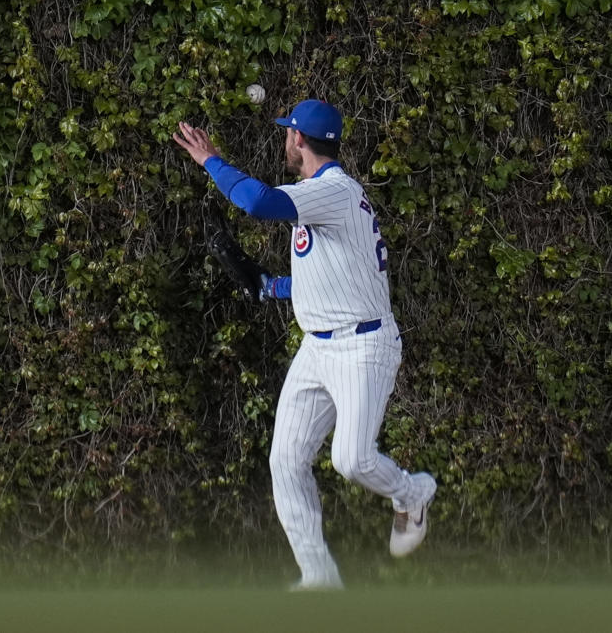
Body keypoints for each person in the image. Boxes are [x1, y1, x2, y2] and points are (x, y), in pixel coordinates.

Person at [173, 99, 436, 590]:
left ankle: (412, 492)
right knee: (286, 461)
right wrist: (270, 286)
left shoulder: (331, 190)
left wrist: (210, 160)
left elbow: (255, 202)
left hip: (364, 347)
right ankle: (318, 577)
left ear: (298, 139)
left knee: (350, 460)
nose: (284, 142)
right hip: (318, 349)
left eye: (286, 134)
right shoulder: (322, 197)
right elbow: (331, 275)